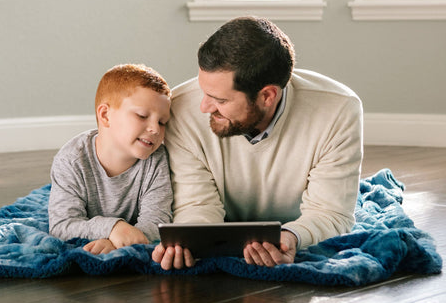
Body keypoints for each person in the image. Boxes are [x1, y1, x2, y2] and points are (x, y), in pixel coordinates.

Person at [152, 16, 363, 270]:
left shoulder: (338, 110)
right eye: (203, 91)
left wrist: (291, 238)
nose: (204, 106)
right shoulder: (181, 110)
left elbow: (331, 212)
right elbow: (197, 204)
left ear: (267, 96)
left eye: (219, 99)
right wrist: (186, 240)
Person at [48, 63, 173, 255]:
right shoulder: (71, 160)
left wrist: (116, 243)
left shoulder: (156, 160)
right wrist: (114, 228)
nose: (155, 129)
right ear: (105, 115)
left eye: (162, 122)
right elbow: (62, 226)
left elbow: (157, 223)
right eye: (142, 116)